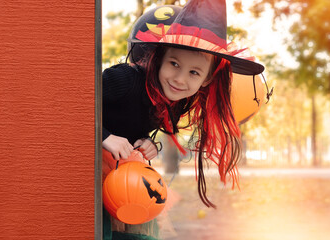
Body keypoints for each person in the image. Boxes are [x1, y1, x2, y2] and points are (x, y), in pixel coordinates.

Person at [102, 1, 265, 239]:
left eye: (194, 72)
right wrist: (105, 136)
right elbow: (73, 105)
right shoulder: (125, 79)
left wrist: (144, 141)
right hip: (87, 164)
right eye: (174, 64)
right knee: (98, 229)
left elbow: (130, 120)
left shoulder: (175, 102)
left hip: (122, 173)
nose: (179, 79)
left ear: (207, 79)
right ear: (159, 58)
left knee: (138, 229)